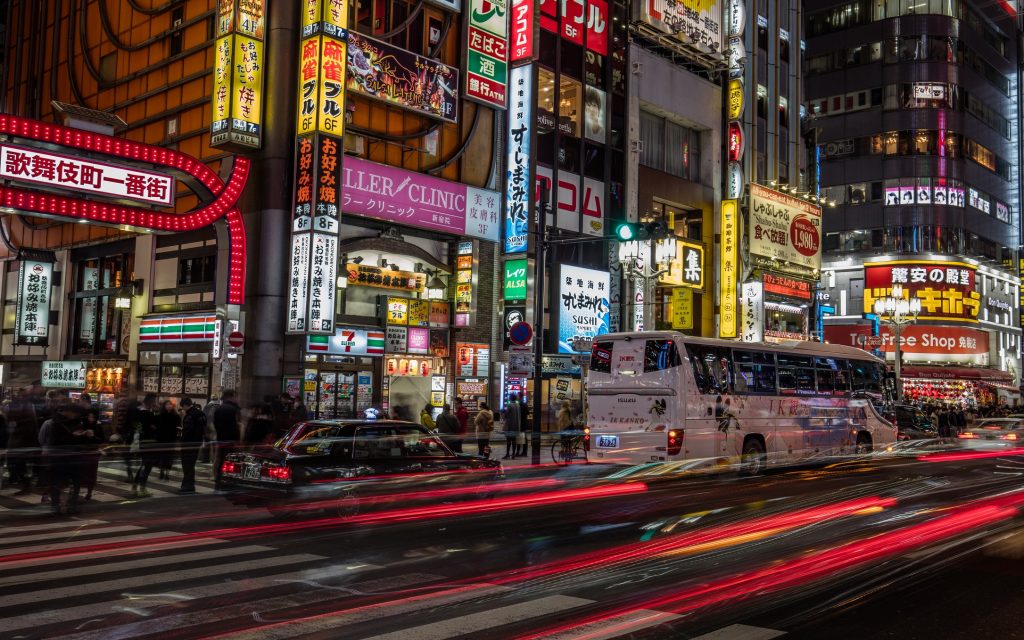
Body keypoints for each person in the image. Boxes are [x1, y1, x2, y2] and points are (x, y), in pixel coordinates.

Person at [5, 388, 39, 494]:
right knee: (18, 465)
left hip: (21, 442)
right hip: (20, 442)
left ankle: (26, 485)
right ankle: (25, 484)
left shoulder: (25, 409)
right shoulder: (25, 408)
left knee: (19, 465)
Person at [213, 390, 242, 490]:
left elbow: (215, 424)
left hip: (221, 439)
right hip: (232, 440)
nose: (238, 399)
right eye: (237, 396)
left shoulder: (218, 409)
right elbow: (238, 426)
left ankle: (219, 481)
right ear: (232, 396)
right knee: (232, 462)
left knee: (221, 461)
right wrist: (238, 440)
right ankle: (230, 483)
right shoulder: (235, 409)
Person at [132, 394, 160, 498]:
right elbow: (155, 426)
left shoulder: (138, 412)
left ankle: (135, 487)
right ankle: (142, 489)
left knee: (144, 464)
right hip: (149, 442)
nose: (155, 403)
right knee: (147, 465)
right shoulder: (148, 414)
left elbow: (137, 426)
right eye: (154, 401)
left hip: (141, 441)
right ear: (151, 402)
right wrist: (157, 413)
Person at [177, 397, 205, 494]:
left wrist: (182, 436)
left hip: (188, 444)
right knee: (191, 465)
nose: (183, 409)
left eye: (183, 407)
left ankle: (187, 486)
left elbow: (188, 431)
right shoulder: (200, 413)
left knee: (187, 465)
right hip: (197, 443)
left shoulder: (190, 415)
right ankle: (189, 485)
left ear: (185, 405)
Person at [78, 405, 105, 501]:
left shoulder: (98, 426)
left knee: (92, 474)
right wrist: (82, 434)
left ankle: (89, 493)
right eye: (89, 417)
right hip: (82, 453)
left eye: (93, 417)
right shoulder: (81, 425)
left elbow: (102, 439)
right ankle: (76, 493)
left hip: (93, 453)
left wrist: (93, 436)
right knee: (80, 474)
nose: (91, 419)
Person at [154, 399, 180, 480]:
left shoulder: (176, 416)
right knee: (162, 456)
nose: (169, 406)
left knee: (169, 457)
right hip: (162, 439)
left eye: (170, 404)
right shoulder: (160, 415)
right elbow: (156, 427)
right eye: (167, 404)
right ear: (164, 406)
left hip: (171, 439)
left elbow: (178, 426)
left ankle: (167, 473)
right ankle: (162, 471)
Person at [503, 394, 521, 460]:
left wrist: (503, 413)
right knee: (514, 441)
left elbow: (506, 415)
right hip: (516, 426)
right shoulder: (518, 405)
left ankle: (507, 454)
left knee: (508, 441)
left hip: (510, 426)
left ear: (510, 398)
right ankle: (513, 454)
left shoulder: (510, 405)